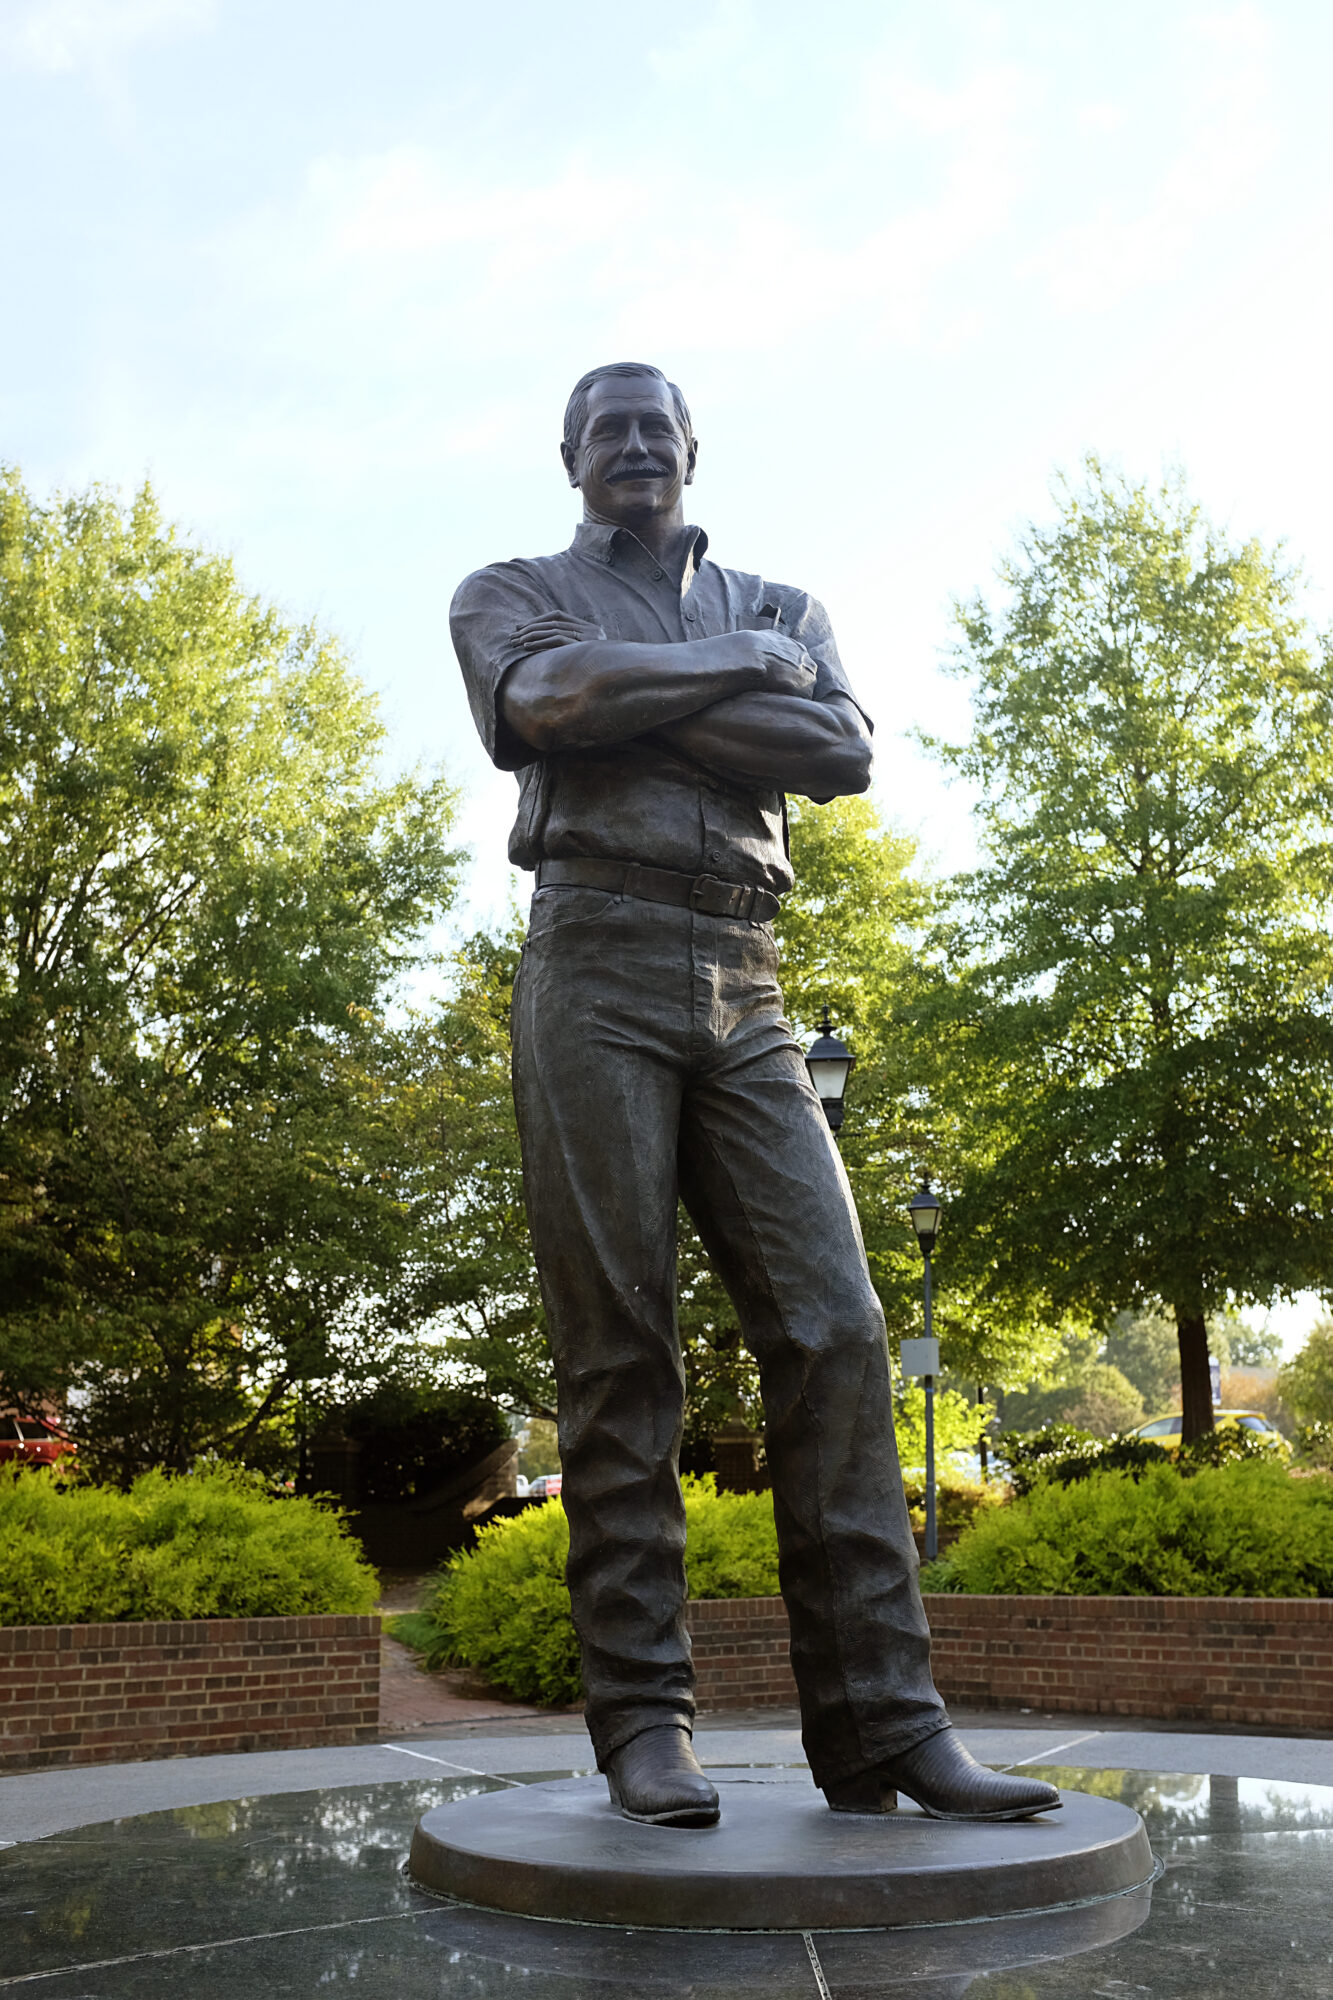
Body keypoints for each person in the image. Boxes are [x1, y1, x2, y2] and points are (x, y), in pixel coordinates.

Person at [451, 362, 1058, 1830]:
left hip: (745, 971)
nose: (636, 446)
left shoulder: (784, 598)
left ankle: (883, 1729)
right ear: (570, 458)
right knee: (618, 1340)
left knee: (839, 1327)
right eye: (610, 430)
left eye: (657, 426)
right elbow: (546, 697)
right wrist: (734, 677)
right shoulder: (511, 587)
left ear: (693, 451)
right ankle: (645, 1724)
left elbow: (839, 752)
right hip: (591, 954)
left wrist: (632, 706)